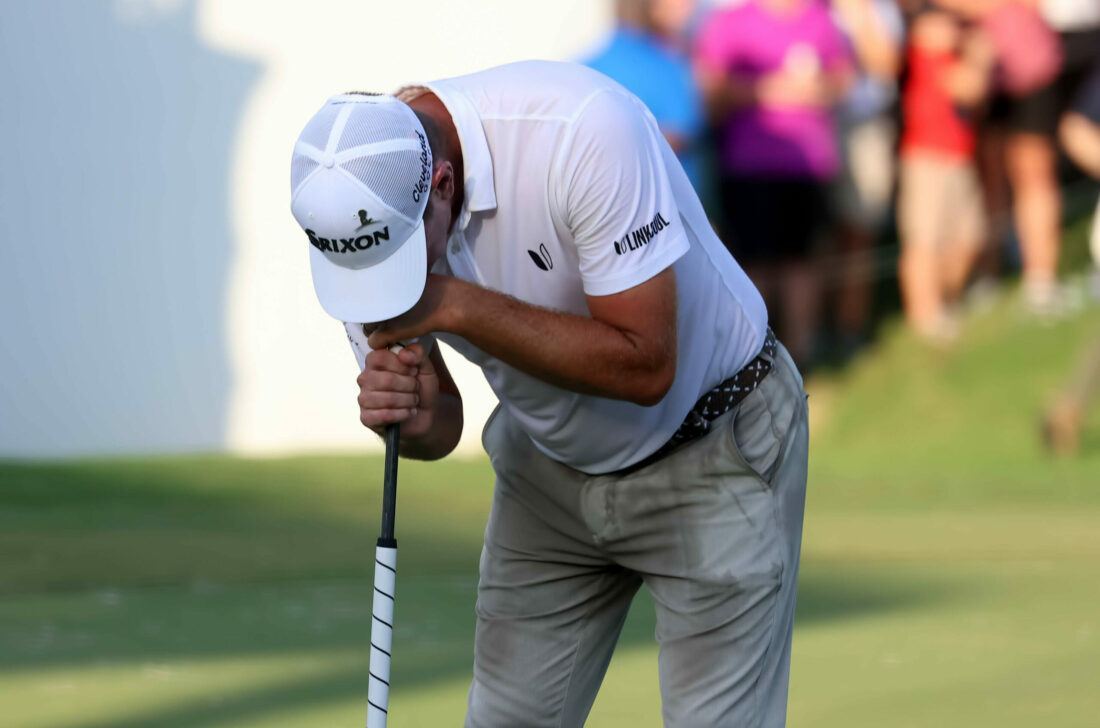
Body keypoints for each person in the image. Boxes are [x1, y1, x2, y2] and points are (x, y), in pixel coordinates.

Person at [289, 61, 809, 726]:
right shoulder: (357, 218)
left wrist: (458, 306)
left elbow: (648, 366)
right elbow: (441, 425)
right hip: (546, 472)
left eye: (399, 260)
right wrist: (409, 414)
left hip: (714, 447)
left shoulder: (583, 130)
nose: (387, 283)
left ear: (441, 185)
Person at [695, 0, 854, 369]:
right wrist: (768, 91)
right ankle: (754, 357)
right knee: (754, 263)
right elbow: (710, 90)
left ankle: (801, 356)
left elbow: (844, 79)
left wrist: (818, 90)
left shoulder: (821, 18)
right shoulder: (731, 22)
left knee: (802, 259)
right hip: (749, 164)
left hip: (808, 163)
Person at [895, 6, 994, 343]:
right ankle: (925, 314)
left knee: (969, 235)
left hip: (956, 158)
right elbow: (970, 87)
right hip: (926, 161)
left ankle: (945, 300)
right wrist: (980, 56)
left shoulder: (948, 58)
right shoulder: (924, 58)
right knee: (924, 241)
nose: (951, 30)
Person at [584, 0, 705, 192]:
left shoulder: (587, 64)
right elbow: (679, 132)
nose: (690, 4)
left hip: (605, 194)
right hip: (665, 201)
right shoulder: (667, 64)